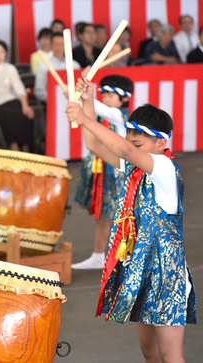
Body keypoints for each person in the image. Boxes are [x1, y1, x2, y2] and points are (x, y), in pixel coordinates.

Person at [66, 72, 196, 362]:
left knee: (170, 353)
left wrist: (86, 119)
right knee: (149, 352)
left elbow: (123, 148)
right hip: (141, 268)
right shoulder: (137, 169)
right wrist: (88, 103)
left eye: (139, 144)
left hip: (167, 274)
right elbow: (95, 146)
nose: (131, 145)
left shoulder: (163, 167)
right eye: (131, 140)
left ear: (161, 144)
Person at [72, 75, 133, 269]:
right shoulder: (107, 114)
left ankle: (127, 256)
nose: (106, 97)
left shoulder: (119, 114)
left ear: (125, 98)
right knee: (103, 215)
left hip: (119, 173)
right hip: (105, 171)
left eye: (110, 94)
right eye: (103, 93)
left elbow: (97, 108)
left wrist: (81, 94)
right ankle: (98, 255)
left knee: (125, 216)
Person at [34, 32, 81, 104]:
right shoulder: (43, 66)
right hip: (53, 104)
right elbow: (39, 91)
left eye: (62, 44)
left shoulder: (75, 65)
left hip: (75, 103)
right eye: (56, 44)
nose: (59, 47)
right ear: (51, 45)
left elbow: (79, 86)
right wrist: (57, 99)